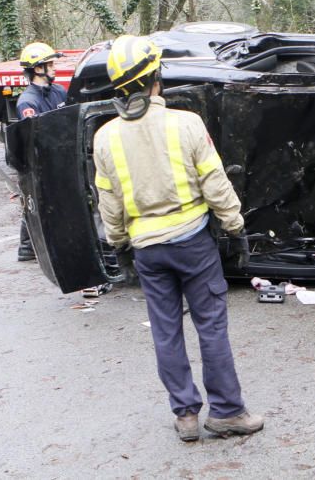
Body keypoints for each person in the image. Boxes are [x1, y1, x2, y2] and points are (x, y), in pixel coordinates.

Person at [92, 35, 262, 442]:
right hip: (192, 244)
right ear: (156, 78)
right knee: (211, 327)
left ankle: (185, 415)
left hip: (147, 249)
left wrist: (118, 243)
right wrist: (235, 225)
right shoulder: (185, 123)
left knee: (165, 330)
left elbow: (109, 203)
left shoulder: (105, 137)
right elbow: (215, 183)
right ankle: (226, 412)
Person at [14, 42, 66, 263]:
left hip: (60, 154)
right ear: (37, 69)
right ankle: (27, 246)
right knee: (39, 200)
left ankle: (31, 245)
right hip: (41, 161)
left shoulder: (59, 91)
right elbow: (32, 138)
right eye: (50, 64)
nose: (54, 68)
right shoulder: (28, 101)